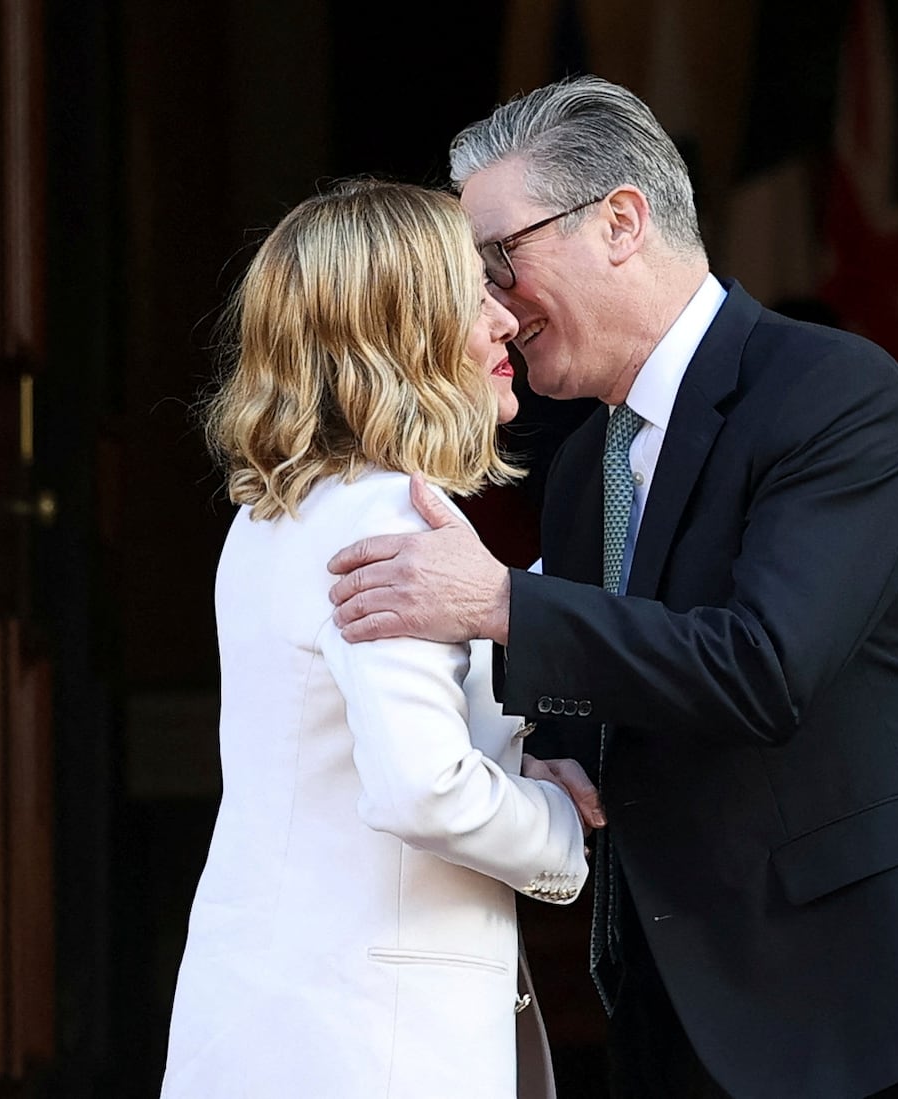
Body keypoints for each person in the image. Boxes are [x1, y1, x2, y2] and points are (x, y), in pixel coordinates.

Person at [328, 79, 898, 1098]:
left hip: (894, 1013)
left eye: (500, 257)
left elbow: (763, 667)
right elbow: (596, 709)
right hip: (699, 1022)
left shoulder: (832, 395)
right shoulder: (588, 465)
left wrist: (501, 603)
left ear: (621, 222)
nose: (492, 305)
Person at [161, 179, 596, 1099]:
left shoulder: (275, 514)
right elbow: (422, 788)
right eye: (472, 294)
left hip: (273, 1026)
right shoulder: (388, 515)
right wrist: (563, 833)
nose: (504, 321)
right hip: (369, 1047)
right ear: (397, 328)